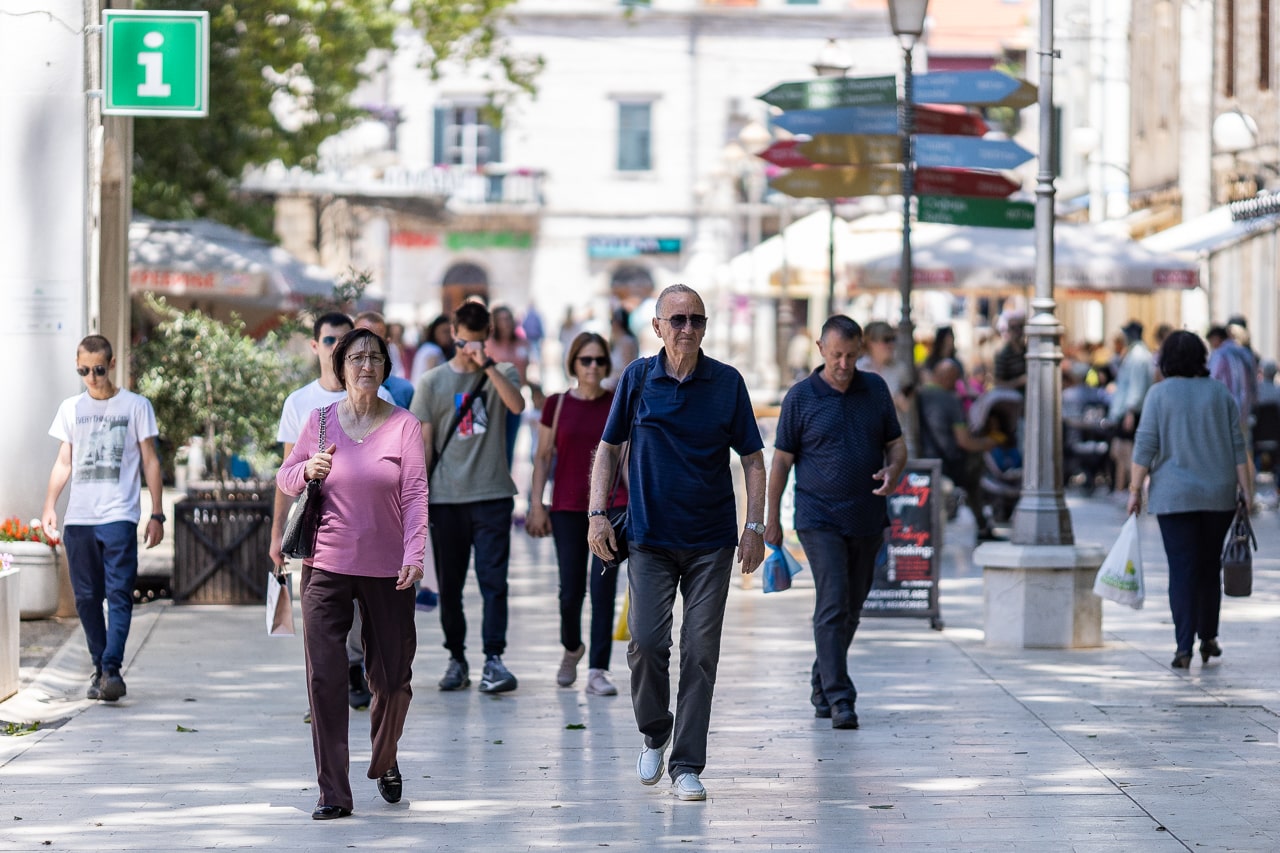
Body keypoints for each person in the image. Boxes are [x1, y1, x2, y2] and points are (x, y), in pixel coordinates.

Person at [587, 283, 766, 802]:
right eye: (679, 319)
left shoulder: (727, 383)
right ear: (658, 327)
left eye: (698, 320)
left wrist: (755, 526)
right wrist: (599, 514)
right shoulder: (638, 379)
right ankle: (654, 730)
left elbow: (753, 460)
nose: (689, 328)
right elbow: (608, 448)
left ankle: (687, 763)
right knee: (645, 643)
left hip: (711, 541)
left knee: (700, 650)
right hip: (649, 538)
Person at [277, 327, 428, 820]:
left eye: (375, 357)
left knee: (393, 678)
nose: (366, 365)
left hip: (389, 570)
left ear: (386, 368)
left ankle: (385, 758)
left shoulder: (405, 426)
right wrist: (307, 471)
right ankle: (333, 793)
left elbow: (414, 496)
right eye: (356, 357)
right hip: (327, 566)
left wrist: (415, 553)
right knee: (324, 679)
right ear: (340, 369)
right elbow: (285, 476)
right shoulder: (320, 422)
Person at [764, 316, 908, 731]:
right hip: (818, 517)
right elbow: (782, 461)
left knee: (852, 608)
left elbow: (896, 445)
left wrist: (894, 470)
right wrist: (770, 520)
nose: (843, 364)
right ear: (820, 350)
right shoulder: (801, 397)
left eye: (850, 355)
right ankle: (841, 697)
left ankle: (820, 680)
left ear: (860, 351)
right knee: (833, 600)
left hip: (866, 517)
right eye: (835, 355)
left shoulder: (875, 390)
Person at [271, 312, 394, 711]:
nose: (342, 351)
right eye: (330, 342)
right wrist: (278, 536)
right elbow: (288, 472)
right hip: (322, 534)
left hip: (371, 536)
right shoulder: (301, 403)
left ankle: (355, 671)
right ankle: (327, 686)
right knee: (323, 620)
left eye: (349, 344)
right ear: (317, 346)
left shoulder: (384, 401)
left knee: (362, 618)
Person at [41, 335, 165, 702]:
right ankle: (101, 667)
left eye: (97, 369)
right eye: (83, 370)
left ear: (111, 365)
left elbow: (151, 460)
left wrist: (156, 513)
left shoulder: (136, 406)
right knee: (85, 598)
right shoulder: (71, 408)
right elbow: (64, 461)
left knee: (119, 593)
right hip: (79, 517)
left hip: (119, 515)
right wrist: (50, 505)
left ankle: (111, 667)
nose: (91, 378)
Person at [412, 301, 526, 694]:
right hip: (445, 499)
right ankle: (456, 658)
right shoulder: (432, 382)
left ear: (487, 337)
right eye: (464, 340)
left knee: (494, 582)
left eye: (478, 341)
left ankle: (494, 659)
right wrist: (418, 500)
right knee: (452, 585)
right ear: (452, 332)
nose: (469, 347)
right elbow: (425, 445)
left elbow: (517, 405)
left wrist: (488, 366)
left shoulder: (503, 373)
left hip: (492, 494)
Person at [1127, 331, 1249, 670]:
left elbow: (1145, 447)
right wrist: (1246, 490)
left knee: (1182, 569)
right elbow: (1238, 447)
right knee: (1209, 567)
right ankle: (1208, 637)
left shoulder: (1158, 394)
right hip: (1218, 495)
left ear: (1166, 359)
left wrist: (1134, 491)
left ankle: (1183, 646)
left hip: (1173, 497)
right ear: (1201, 357)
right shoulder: (1219, 393)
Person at [527, 332, 623, 696]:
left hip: (612, 506)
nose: (593, 367)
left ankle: (598, 669)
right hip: (567, 507)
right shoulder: (557, 404)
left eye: (600, 360)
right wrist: (536, 503)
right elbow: (543, 455)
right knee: (570, 591)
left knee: (603, 588)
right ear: (573, 363)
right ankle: (572, 647)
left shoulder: (616, 402)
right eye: (586, 360)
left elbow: (626, 453)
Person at [917, 359, 997, 540]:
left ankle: (982, 523)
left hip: (927, 457)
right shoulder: (951, 400)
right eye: (956, 380)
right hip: (949, 461)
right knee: (975, 471)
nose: (957, 384)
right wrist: (987, 443)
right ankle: (982, 525)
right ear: (947, 378)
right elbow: (964, 441)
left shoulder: (921, 394)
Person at [1107, 321, 1155, 494]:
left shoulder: (1138, 356)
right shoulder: (1137, 354)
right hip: (1127, 410)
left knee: (1126, 452)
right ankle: (1126, 488)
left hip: (1131, 411)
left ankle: (1135, 487)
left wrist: (1130, 410)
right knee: (1120, 451)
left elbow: (1137, 385)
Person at [857, 321, 918, 457]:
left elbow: (906, 404)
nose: (891, 344)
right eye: (886, 340)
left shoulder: (901, 370)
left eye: (893, 339)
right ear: (871, 342)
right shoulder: (858, 369)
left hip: (894, 441)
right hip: (865, 440)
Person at [487, 305, 531, 468]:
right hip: (493, 402)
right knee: (493, 447)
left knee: (510, 446)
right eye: (501, 319)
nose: (505, 323)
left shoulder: (523, 344)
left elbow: (525, 376)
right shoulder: (488, 345)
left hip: (514, 402)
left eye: (508, 318)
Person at [356, 312, 415, 408]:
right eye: (359, 338)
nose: (367, 346)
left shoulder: (403, 390)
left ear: (387, 343)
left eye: (376, 340)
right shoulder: (338, 388)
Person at [409, 315, 455, 385]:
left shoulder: (427, 347)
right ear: (434, 332)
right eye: (444, 331)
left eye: (450, 332)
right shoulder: (433, 350)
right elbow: (431, 379)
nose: (448, 335)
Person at [604, 307, 640, 391]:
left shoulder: (627, 342)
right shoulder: (614, 341)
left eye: (612, 322)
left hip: (618, 386)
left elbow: (627, 368)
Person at [993, 310, 1027, 393]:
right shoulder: (1003, 354)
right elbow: (998, 383)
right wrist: (1018, 382)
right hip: (1010, 396)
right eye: (1013, 328)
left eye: (1020, 327)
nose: (1017, 331)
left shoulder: (1028, 351)